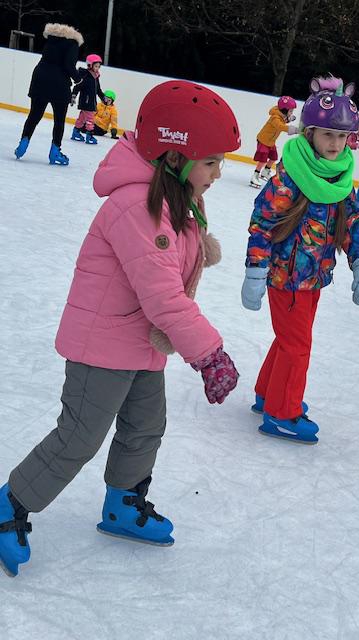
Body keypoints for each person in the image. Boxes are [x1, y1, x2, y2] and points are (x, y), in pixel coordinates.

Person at [0, 80, 241, 578]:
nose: (220, 173)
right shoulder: (138, 206)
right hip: (103, 345)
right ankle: (10, 504)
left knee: (145, 426)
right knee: (79, 438)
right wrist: (209, 354)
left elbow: (174, 269)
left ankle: (122, 505)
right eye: (212, 161)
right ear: (175, 156)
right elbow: (163, 296)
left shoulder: (174, 199)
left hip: (140, 342)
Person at [241, 75, 359, 445]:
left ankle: (269, 394)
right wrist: (255, 270)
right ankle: (282, 414)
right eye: (328, 134)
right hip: (285, 278)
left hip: (314, 277)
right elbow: (262, 223)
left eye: (342, 136)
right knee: (298, 345)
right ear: (310, 133)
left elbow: (352, 224)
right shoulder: (289, 177)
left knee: (290, 341)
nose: (336, 144)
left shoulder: (341, 177)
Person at [14, 23, 83, 166]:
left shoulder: (51, 39)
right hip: (59, 84)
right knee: (59, 120)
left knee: (34, 115)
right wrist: (78, 79)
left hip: (40, 77)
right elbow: (68, 65)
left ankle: (24, 141)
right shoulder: (73, 43)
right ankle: (55, 151)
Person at [250, 96, 298, 188]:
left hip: (271, 142)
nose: (291, 113)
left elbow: (283, 121)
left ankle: (265, 172)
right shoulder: (275, 118)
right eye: (291, 111)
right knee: (263, 159)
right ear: (284, 110)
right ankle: (255, 176)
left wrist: (289, 118)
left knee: (273, 157)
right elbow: (280, 126)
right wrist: (295, 130)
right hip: (264, 140)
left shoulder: (281, 116)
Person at [70, 54, 106, 145]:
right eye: (96, 66)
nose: (97, 68)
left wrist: (103, 98)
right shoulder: (85, 76)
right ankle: (89, 136)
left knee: (82, 119)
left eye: (98, 66)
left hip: (90, 102)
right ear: (90, 65)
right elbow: (77, 86)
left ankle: (76, 132)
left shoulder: (95, 77)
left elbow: (98, 90)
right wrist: (73, 96)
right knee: (90, 119)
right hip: (86, 102)